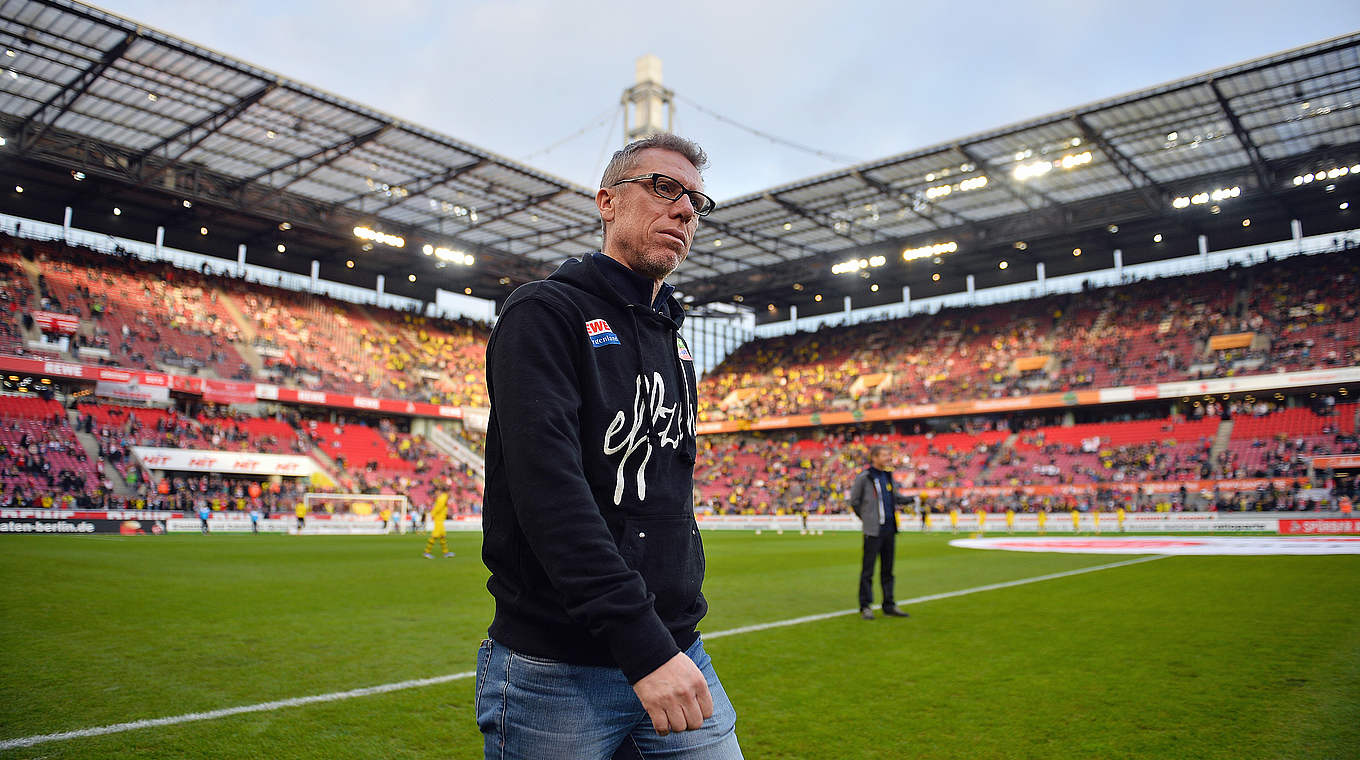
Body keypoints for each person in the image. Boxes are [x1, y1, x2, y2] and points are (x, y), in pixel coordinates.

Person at [477, 134, 742, 759]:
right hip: (557, 669)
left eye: (696, 201)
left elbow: (669, 499)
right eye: (663, 189)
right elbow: (551, 497)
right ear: (607, 202)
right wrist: (642, 645)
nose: (684, 211)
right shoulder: (544, 315)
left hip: (678, 649)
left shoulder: (677, 345)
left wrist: (665, 639)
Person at [848, 446, 911, 620]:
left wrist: (911, 499)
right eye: (884, 455)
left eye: (888, 454)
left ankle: (889, 604)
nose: (888, 457)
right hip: (873, 531)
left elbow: (894, 498)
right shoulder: (865, 477)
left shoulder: (888, 476)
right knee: (868, 570)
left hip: (889, 529)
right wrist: (867, 519)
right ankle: (865, 606)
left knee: (888, 570)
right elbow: (854, 501)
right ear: (874, 457)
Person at [423, 491, 453, 558]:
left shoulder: (443, 499)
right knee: (434, 536)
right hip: (438, 521)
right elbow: (437, 508)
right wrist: (431, 514)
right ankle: (426, 552)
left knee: (443, 536)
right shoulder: (442, 499)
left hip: (440, 521)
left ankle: (446, 552)